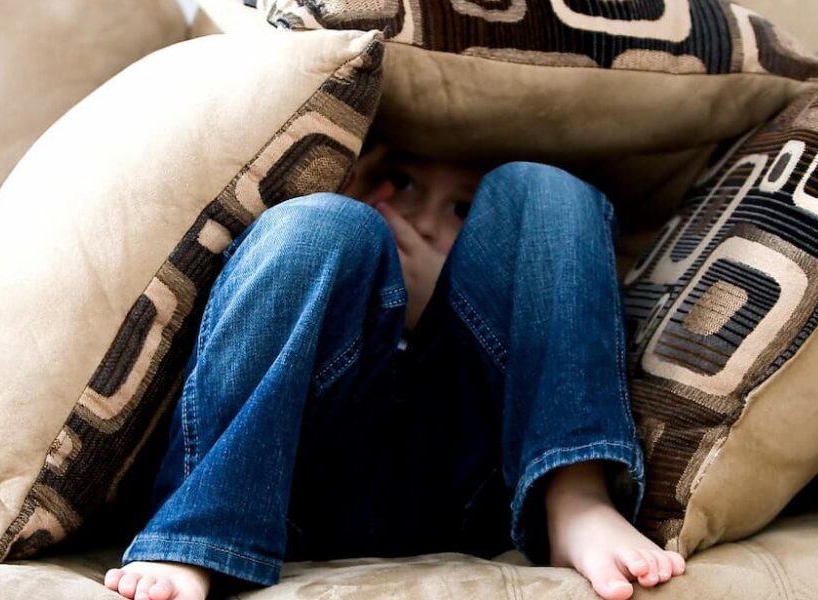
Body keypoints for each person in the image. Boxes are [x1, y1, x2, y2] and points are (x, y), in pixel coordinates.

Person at [103, 143, 686, 600]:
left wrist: (439, 299)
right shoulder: (348, 242)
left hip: (468, 483)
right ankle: (200, 532)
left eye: (463, 208)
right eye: (403, 183)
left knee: (544, 187)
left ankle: (575, 493)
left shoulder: (497, 269)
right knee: (319, 225)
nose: (426, 220)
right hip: (295, 481)